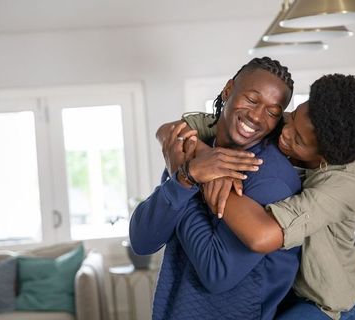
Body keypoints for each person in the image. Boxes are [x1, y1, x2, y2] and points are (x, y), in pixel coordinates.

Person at [169, 73, 355, 319]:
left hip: (329, 305)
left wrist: (213, 174)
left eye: (298, 139)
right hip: (283, 294)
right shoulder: (283, 125)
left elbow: (261, 236)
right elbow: (175, 129)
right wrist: (206, 156)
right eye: (292, 117)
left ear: (326, 157)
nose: (285, 132)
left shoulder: (348, 182)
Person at [129, 57, 302, 320]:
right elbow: (143, 241)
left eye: (272, 112)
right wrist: (185, 178)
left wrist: (187, 176)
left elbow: (217, 273)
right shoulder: (194, 149)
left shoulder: (270, 177)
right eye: (252, 100)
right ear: (229, 89)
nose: (256, 116)